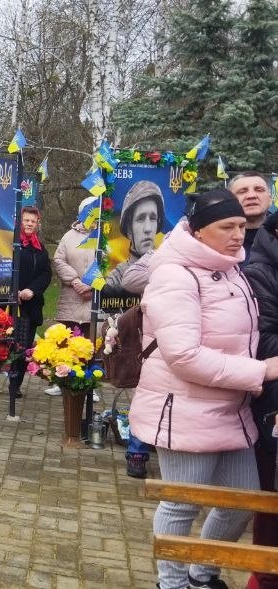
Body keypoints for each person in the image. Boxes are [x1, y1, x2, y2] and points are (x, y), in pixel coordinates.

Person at [129, 188, 278, 589]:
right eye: (226, 227)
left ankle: (202, 573)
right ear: (197, 231)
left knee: (243, 500)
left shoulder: (231, 268)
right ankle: (172, 583)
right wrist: (260, 371)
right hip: (186, 408)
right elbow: (184, 356)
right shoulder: (175, 275)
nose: (238, 235)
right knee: (182, 503)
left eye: (241, 226)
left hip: (232, 408)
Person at [242, 210, 278, 589]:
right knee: (271, 496)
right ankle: (265, 577)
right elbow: (262, 341)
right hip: (273, 401)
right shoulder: (261, 272)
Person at [47, 197, 99, 396]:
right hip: (71, 297)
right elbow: (59, 260)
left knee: (90, 343)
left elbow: (108, 263)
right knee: (67, 340)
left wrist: (91, 285)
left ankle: (89, 384)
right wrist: (76, 281)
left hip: (92, 298)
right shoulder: (68, 237)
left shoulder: (104, 236)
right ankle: (62, 382)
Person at [5, 206, 51, 399]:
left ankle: (15, 384)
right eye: (26, 220)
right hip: (10, 305)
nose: (30, 224)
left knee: (23, 347)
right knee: (3, 345)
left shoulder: (40, 248)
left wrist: (32, 290)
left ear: (37, 224)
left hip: (31, 306)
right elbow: (3, 269)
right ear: (20, 222)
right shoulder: (11, 244)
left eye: (33, 221)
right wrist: (14, 291)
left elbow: (46, 274)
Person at [104, 180, 164, 295]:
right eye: (140, 219)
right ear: (129, 229)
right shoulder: (116, 279)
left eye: (153, 218)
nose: (148, 228)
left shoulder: (168, 268)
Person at [228, 171, 271, 261]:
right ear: (230, 200)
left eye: (259, 190)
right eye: (242, 191)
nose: (251, 196)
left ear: (270, 199)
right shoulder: (217, 242)